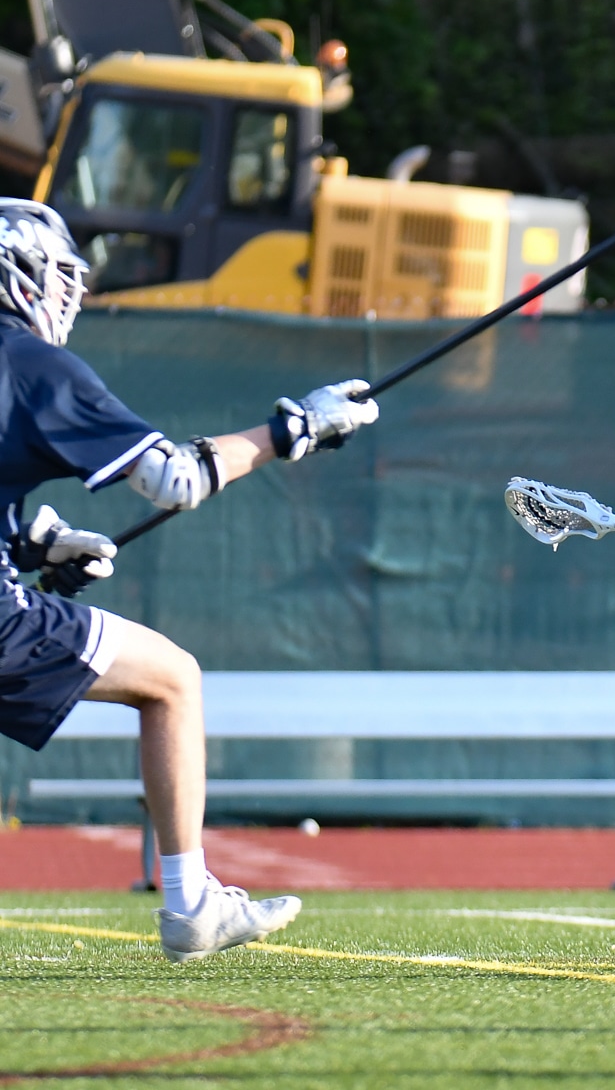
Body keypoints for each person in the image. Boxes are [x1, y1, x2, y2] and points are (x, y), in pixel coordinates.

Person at [0, 200, 379, 961]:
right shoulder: (33, 364)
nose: (73, 291)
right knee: (172, 680)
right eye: (61, 274)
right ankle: (191, 904)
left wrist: (37, 543)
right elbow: (174, 479)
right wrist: (294, 430)